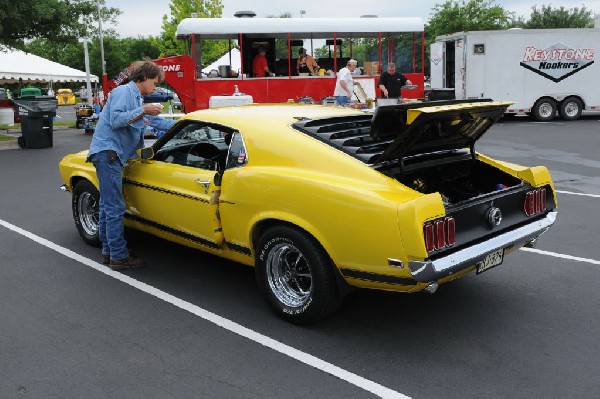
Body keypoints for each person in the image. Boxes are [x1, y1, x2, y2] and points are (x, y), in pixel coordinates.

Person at [87, 60, 177, 271]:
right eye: (154, 83)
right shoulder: (124, 93)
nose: (155, 87)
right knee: (115, 207)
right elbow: (117, 120)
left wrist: (185, 124)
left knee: (107, 206)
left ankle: (109, 251)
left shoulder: (135, 97)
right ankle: (119, 256)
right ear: (143, 78)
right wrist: (144, 110)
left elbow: (152, 123)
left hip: (109, 154)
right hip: (109, 154)